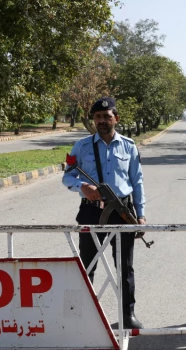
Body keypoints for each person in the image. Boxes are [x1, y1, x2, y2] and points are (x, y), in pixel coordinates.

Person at [62, 97, 146, 329]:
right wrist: (83, 187)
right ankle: (84, 315)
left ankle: (127, 314)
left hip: (122, 211)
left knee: (124, 265)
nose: (101, 121)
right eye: (97, 117)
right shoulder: (82, 146)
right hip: (91, 212)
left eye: (106, 116)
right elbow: (67, 176)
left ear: (116, 119)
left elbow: (137, 182)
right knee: (88, 263)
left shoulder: (129, 146)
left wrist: (140, 214)